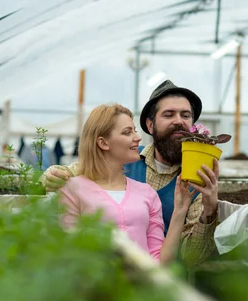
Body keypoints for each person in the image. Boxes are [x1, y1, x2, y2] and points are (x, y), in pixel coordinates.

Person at [42, 80, 220, 265]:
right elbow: (75, 170)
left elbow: (191, 257)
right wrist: (53, 174)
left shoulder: (198, 179)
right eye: (168, 114)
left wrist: (210, 211)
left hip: (161, 278)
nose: (178, 121)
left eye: (185, 115)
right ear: (150, 126)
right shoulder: (126, 158)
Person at [59, 103, 192, 264]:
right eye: (127, 132)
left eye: (135, 130)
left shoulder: (147, 193)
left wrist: (180, 210)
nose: (138, 137)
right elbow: (67, 254)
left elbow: (159, 262)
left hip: (140, 287)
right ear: (103, 143)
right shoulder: (73, 190)